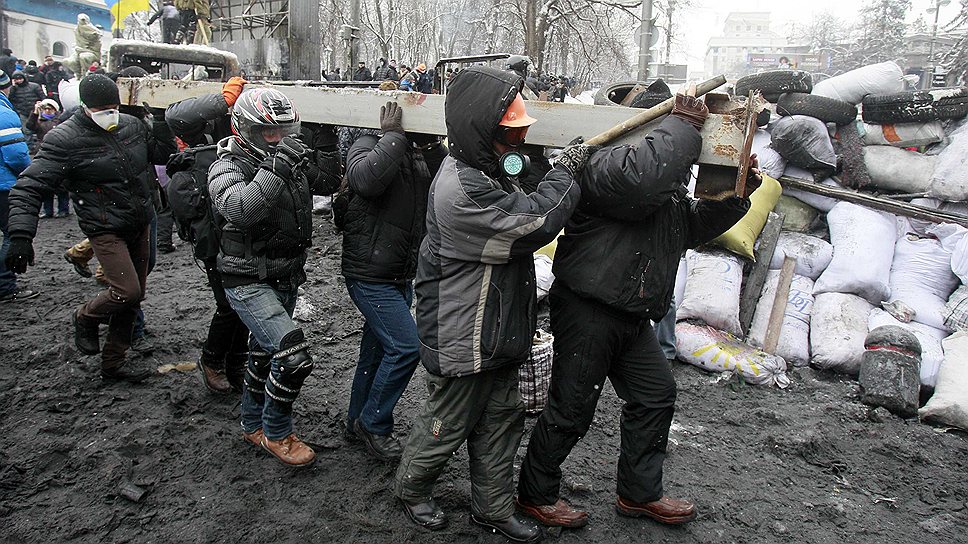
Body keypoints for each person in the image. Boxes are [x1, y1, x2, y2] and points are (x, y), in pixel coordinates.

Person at [516, 86, 760, 530]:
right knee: (571, 408)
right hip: (590, 307)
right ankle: (536, 495)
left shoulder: (659, 185)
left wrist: (738, 195)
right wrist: (685, 127)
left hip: (631, 310)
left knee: (655, 396)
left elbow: (687, 227)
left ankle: (638, 494)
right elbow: (643, 182)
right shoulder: (602, 162)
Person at [393, 66, 594, 542]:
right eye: (509, 133)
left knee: (504, 419)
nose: (517, 142)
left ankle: (493, 508)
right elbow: (534, 224)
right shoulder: (462, 189)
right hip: (463, 331)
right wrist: (565, 173)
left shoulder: (482, 167)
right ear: (481, 129)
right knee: (448, 421)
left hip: (496, 326)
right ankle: (411, 488)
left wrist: (544, 165)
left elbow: (523, 194)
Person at [5, 74, 176, 380]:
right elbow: (28, 187)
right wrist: (20, 235)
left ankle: (113, 363)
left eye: (114, 107)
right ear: (85, 107)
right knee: (126, 291)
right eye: (101, 109)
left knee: (134, 297)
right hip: (105, 228)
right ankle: (84, 316)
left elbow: (161, 157)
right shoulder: (64, 140)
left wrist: (162, 127)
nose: (109, 114)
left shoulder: (131, 126)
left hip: (139, 221)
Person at [208, 88, 335, 466]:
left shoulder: (287, 156)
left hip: (284, 273)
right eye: (268, 131)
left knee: (264, 355)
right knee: (293, 356)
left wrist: (325, 135)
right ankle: (278, 433)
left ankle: (252, 425)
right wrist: (276, 168)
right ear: (246, 129)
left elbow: (327, 181)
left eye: (283, 130)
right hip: (245, 279)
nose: (277, 138)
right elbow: (240, 209)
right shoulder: (226, 165)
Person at [341, 100, 447, 462]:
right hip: (369, 272)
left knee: (375, 350)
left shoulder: (415, 152)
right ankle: (374, 423)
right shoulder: (368, 143)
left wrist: (431, 144)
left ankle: (356, 419)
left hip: (399, 273)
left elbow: (443, 180)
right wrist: (392, 137)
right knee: (404, 347)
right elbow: (367, 180)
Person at [0, 70, 35, 303]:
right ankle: (4, 285)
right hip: (3, 186)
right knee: (13, 232)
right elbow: (15, 154)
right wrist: (30, 173)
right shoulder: (3, 114)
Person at [26, 99, 69, 218]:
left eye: (50, 109)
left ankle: (63, 209)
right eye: (45, 109)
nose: (47, 111)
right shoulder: (39, 122)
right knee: (45, 185)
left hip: (59, 154)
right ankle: (48, 210)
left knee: (61, 185)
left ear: (55, 110)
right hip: (44, 154)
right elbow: (29, 125)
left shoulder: (61, 121)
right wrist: (35, 112)